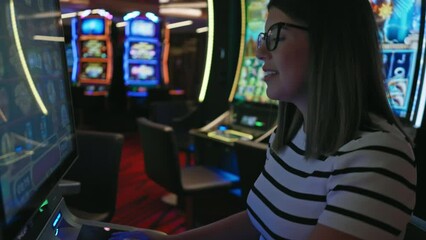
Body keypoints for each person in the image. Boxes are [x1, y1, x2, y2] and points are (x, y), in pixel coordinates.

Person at [110, 0, 416, 239]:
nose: (259, 52)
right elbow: (258, 220)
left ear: (328, 40)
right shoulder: (292, 134)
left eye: (273, 36)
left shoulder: (378, 158)